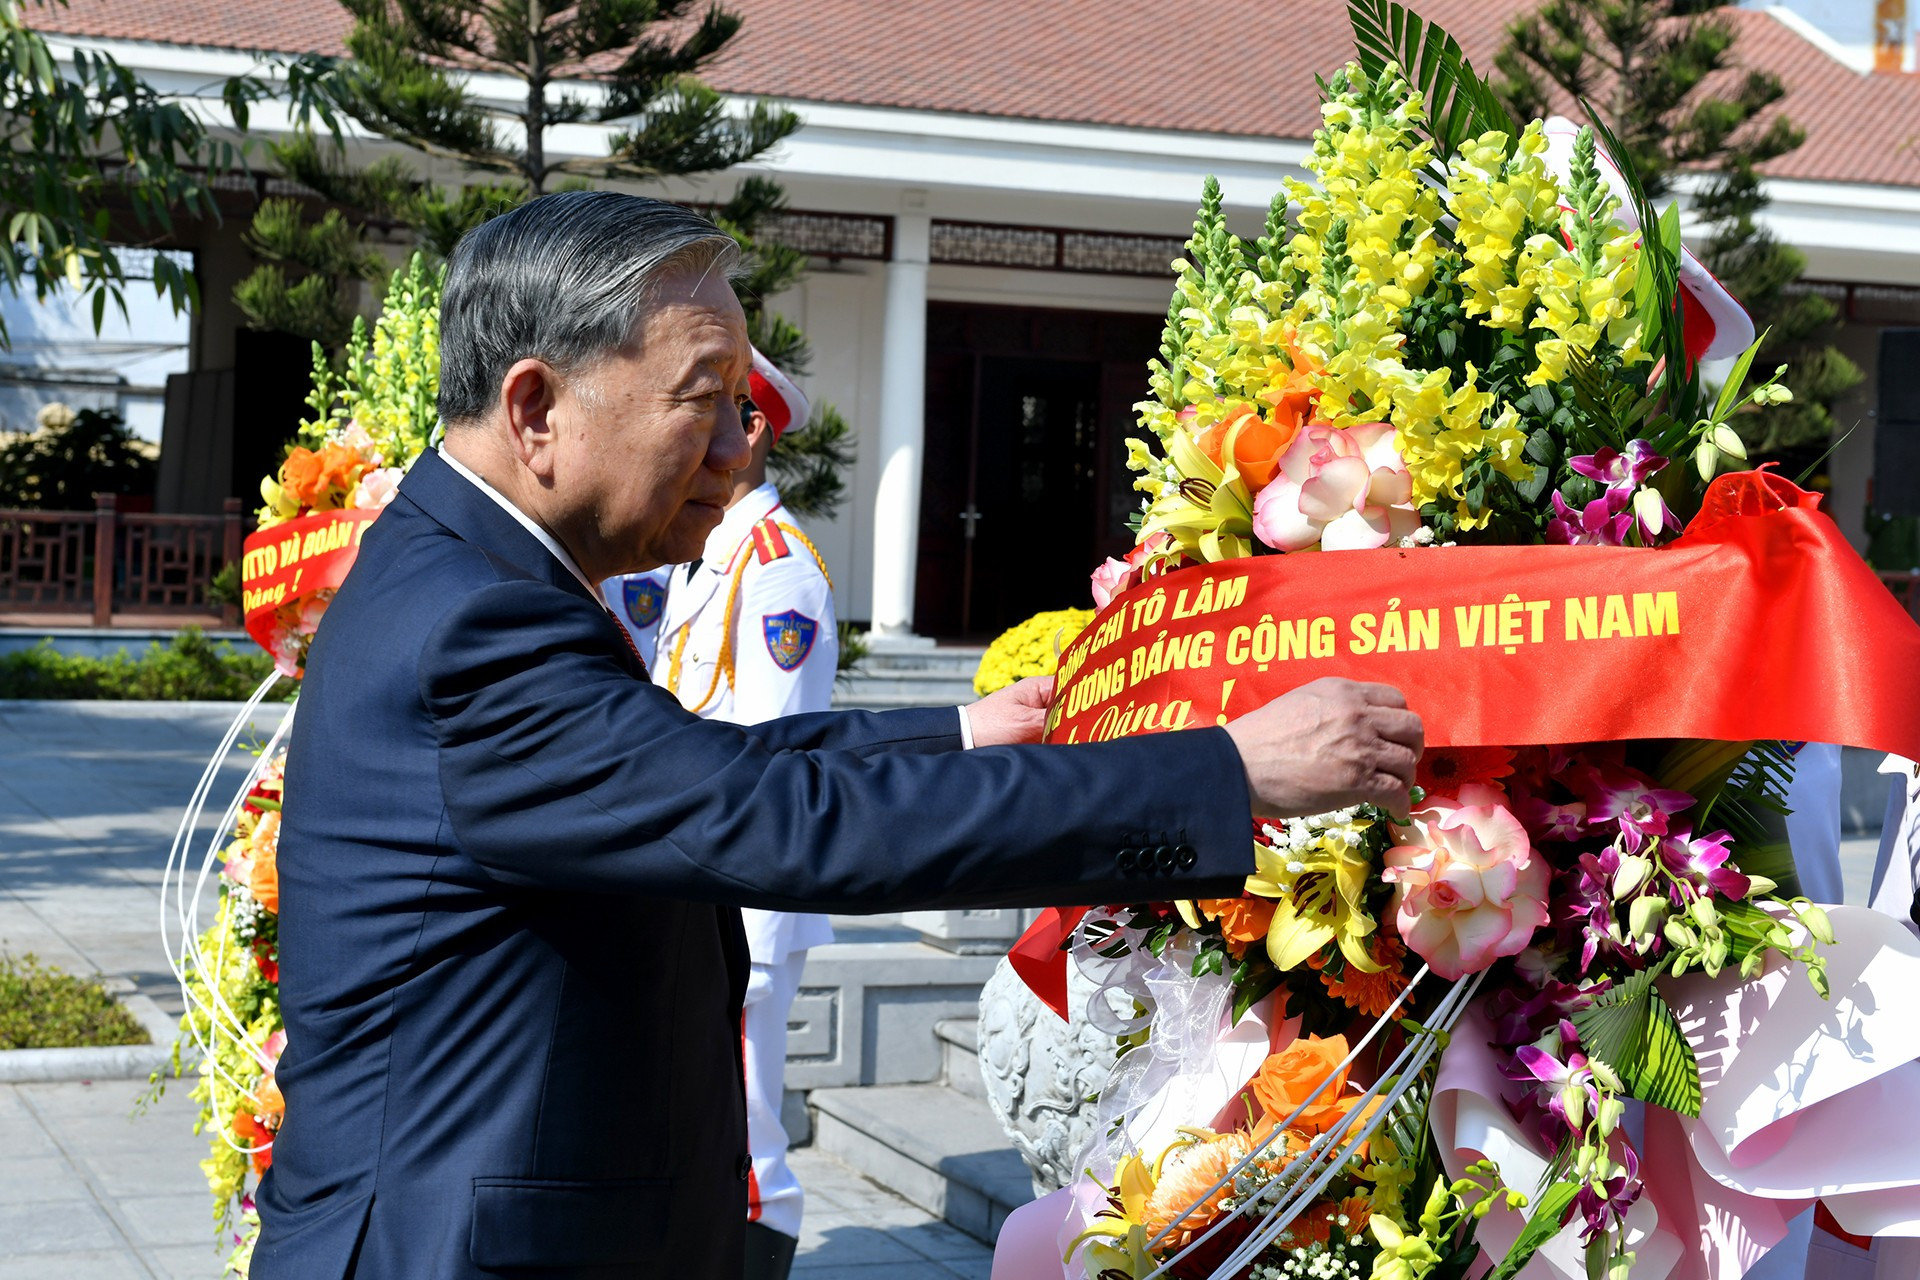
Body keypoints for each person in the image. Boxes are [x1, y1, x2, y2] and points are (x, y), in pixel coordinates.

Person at [255, 190, 1424, 1280]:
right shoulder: (478, 620)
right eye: (703, 399)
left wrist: (966, 734)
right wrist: (1229, 770)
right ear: (536, 407)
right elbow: (769, 821)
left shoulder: (469, 573)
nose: (736, 447)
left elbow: (702, 771)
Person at [604, 348, 835, 1280]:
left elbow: (771, 758)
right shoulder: (702, 561)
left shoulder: (780, 573)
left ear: (754, 433)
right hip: (699, 877)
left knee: (749, 1138)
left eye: (714, 414)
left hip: (746, 891)